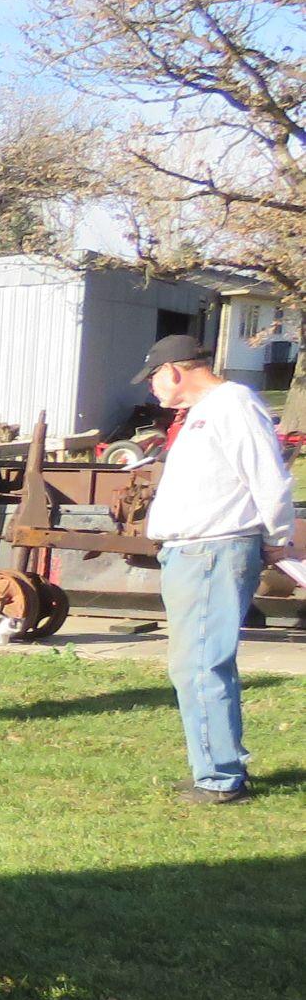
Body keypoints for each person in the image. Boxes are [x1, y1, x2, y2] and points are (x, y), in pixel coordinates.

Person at [138, 333, 300, 803]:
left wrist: (276, 538)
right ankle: (212, 766)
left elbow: (268, 477)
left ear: (174, 371)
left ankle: (220, 778)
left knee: (202, 664)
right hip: (193, 552)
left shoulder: (232, 405)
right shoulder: (202, 416)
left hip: (213, 550)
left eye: (153, 378)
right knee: (195, 664)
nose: (152, 389)